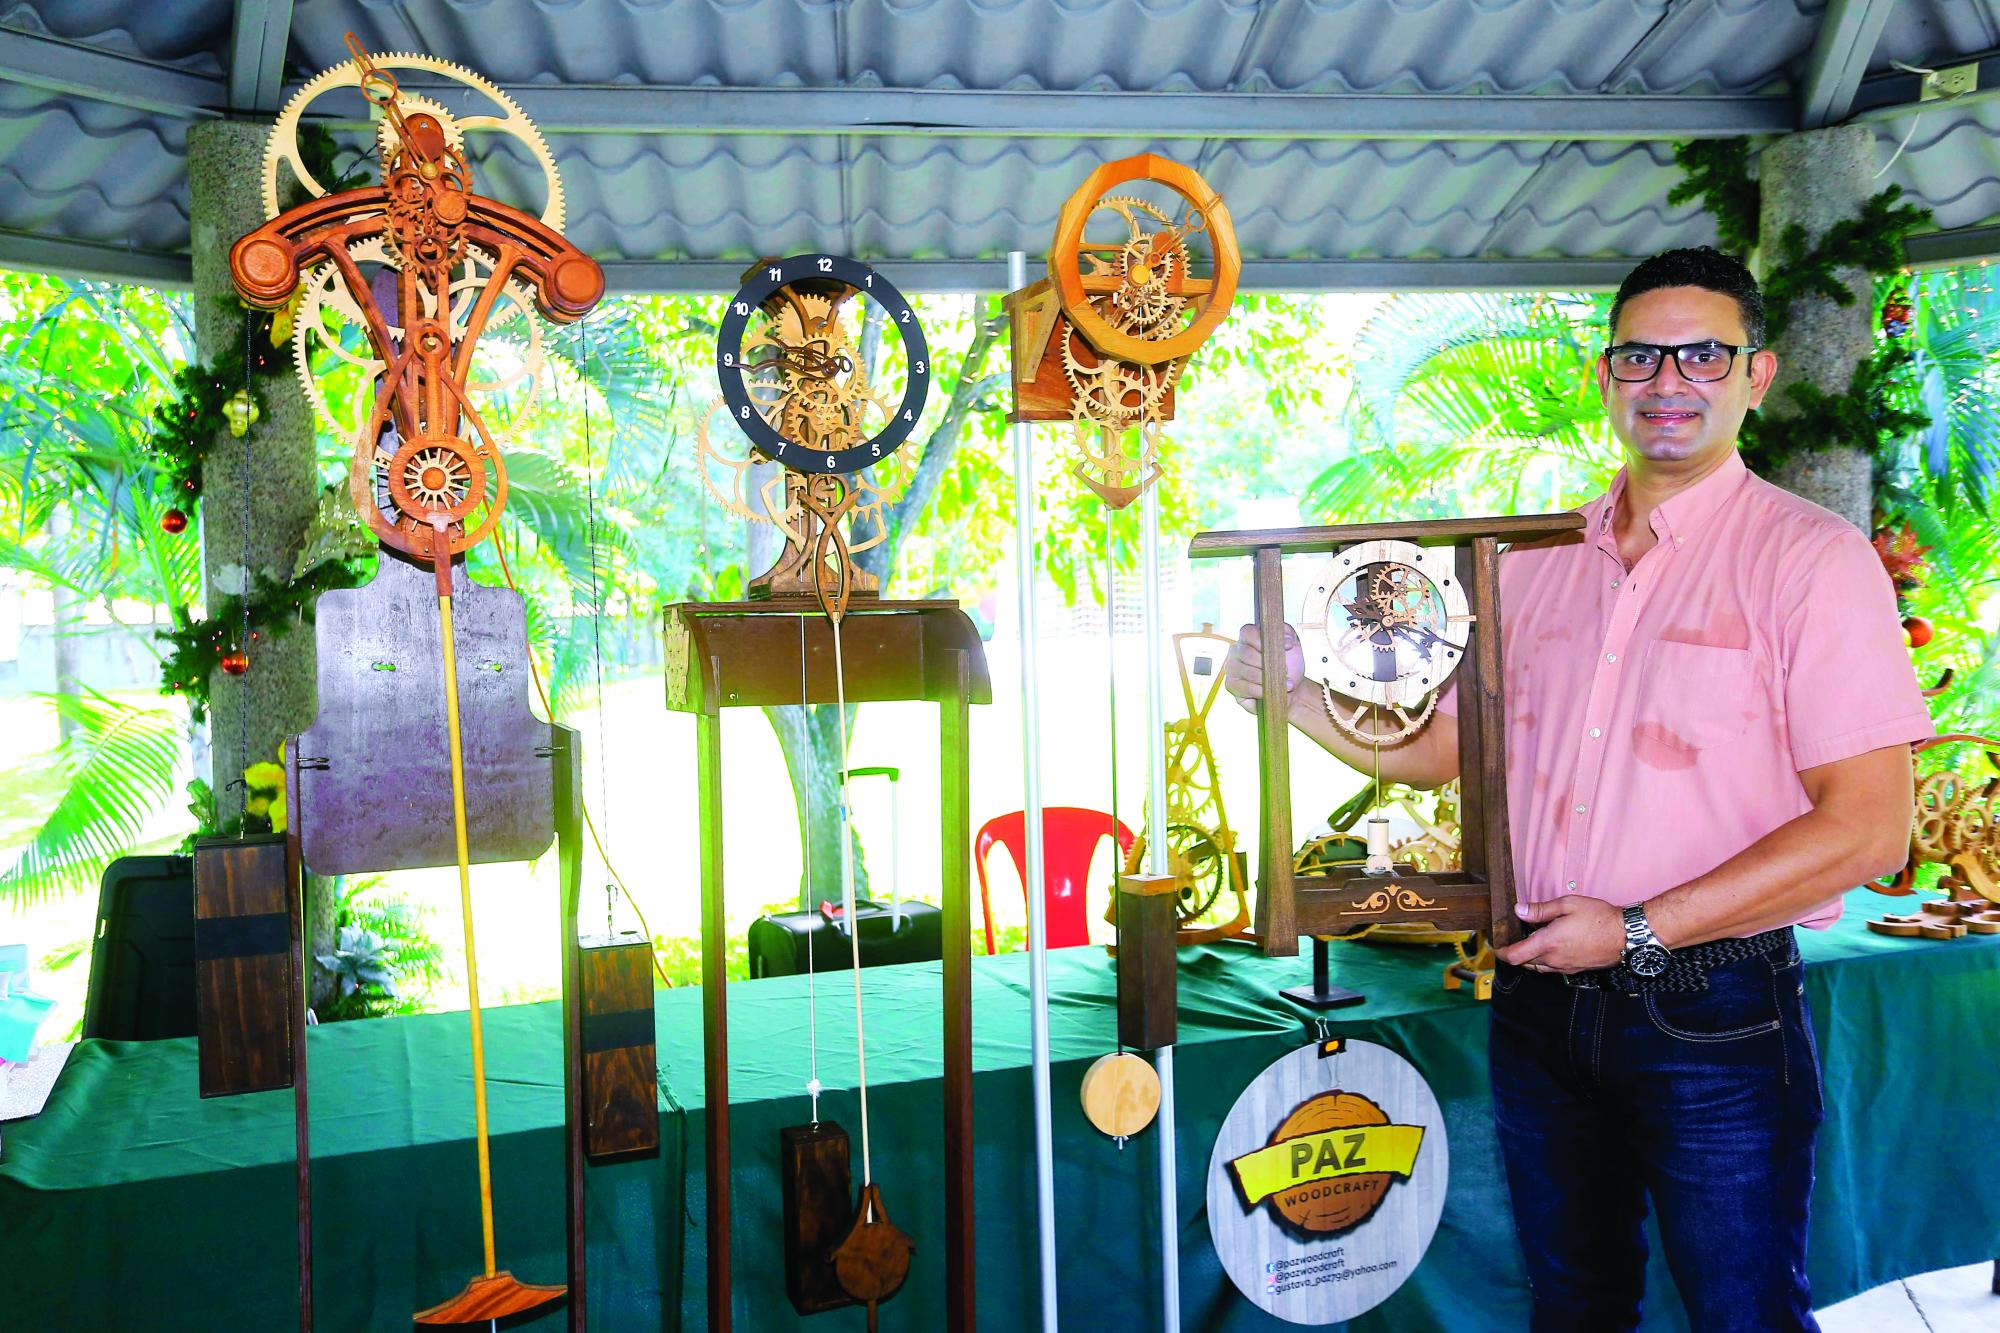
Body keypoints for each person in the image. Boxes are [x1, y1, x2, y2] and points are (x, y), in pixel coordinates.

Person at [1223, 246, 1929, 1331]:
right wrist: (1293, 700)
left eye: (1703, 355)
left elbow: (1870, 826)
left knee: (1739, 1314)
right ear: (1604, 377)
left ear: (1757, 375)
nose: (1667, 381)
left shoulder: (1809, 559)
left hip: (1714, 1009)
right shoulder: (1528, 559)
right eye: (1639, 356)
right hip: (1538, 998)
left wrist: (1638, 931)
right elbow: (1448, 748)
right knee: (1571, 1307)